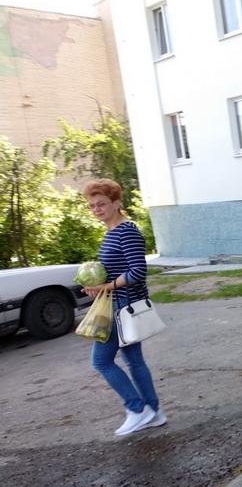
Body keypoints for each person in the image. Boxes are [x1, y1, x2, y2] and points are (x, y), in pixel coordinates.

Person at [81, 179, 167, 437]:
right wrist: (97, 286)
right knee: (133, 360)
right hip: (118, 301)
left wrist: (107, 287)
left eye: (102, 204)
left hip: (123, 304)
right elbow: (119, 270)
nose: (97, 209)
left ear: (117, 203)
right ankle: (154, 412)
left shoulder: (126, 231)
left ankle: (137, 409)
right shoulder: (111, 232)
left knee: (101, 361)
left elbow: (138, 271)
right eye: (92, 205)